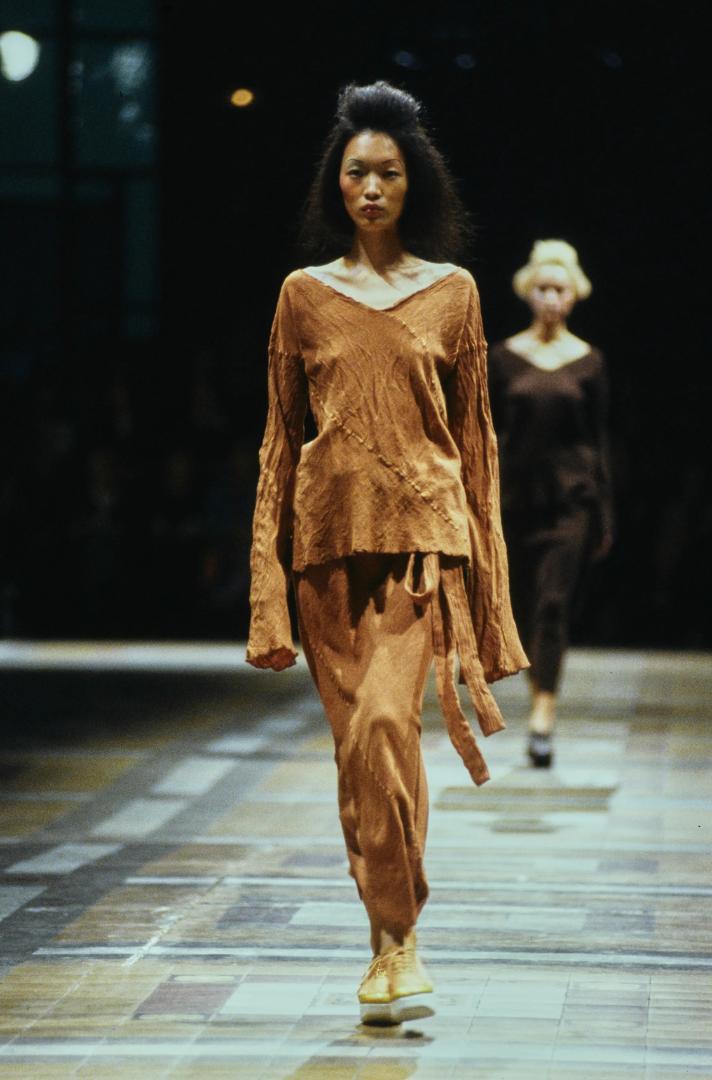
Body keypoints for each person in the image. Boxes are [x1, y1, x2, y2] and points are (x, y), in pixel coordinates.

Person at [246, 81, 527, 1025]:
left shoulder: (453, 294)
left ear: (415, 184)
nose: (371, 187)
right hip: (326, 553)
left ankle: (399, 937)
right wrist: (267, 593)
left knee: (383, 730)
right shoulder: (303, 295)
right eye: (357, 172)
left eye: (390, 173)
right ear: (336, 183)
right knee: (360, 754)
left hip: (421, 550)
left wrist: (491, 598)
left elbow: (477, 446)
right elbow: (279, 445)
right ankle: (387, 949)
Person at [488, 240, 614, 768]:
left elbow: (599, 438)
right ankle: (537, 689)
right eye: (542, 288)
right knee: (520, 611)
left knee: (553, 605)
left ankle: (543, 714)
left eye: (559, 289)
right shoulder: (503, 358)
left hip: (571, 501)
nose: (550, 298)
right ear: (528, 292)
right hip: (513, 500)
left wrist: (604, 512)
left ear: (574, 295)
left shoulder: (588, 362)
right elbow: (488, 433)